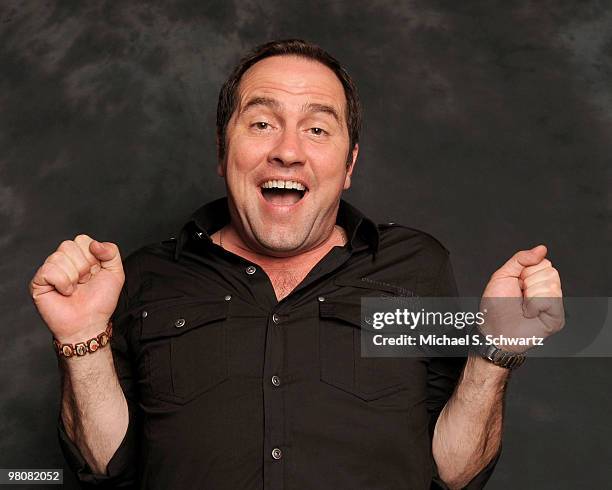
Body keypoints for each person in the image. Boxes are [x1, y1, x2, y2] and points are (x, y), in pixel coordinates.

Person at [29, 39, 564, 489]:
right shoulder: (144, 276)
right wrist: (82, 339)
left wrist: (495, 351)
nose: (288, 151)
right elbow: (104, 468)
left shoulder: (415, 267)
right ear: (223, 150)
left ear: (349, 163)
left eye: (317, 129)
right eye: (262, 123)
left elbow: (454, 474)